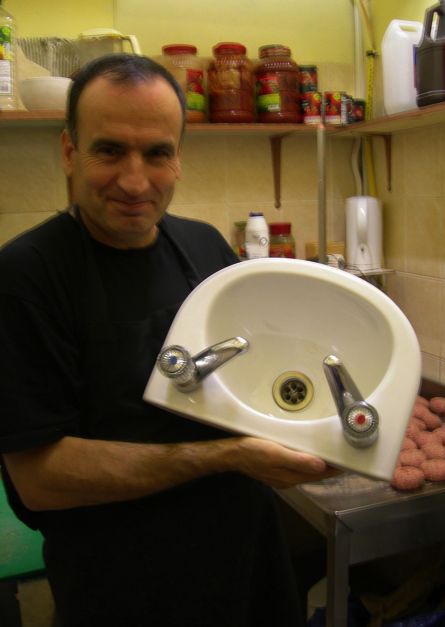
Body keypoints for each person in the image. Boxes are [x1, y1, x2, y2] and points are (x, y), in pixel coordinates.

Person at [0, 54, 334, 627]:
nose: (135, 181)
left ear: (179, 158)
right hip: (122, 588)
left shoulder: (205, 249)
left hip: (245, 567)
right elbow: (40, 480)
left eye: (157, 153)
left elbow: (256, 378)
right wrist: (229, 456)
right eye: (109, 150)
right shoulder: (27, 275)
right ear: (68, 152)